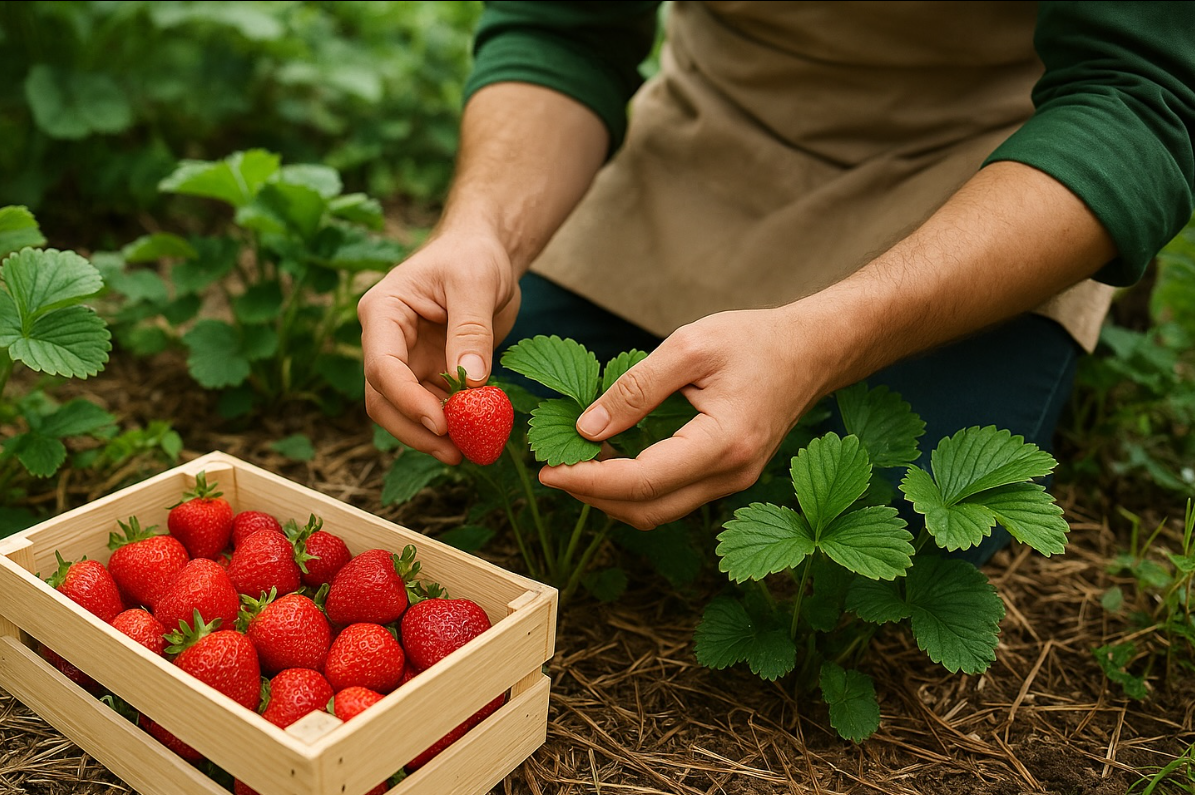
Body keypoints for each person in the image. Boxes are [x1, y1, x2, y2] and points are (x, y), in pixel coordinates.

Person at [359, 1, 1194, 565]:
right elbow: (564, 28)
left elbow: (1137, 95)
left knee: (901, 520)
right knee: (494, 433)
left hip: (990, 167)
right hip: (713, 126)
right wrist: (483, 231)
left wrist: (830, 338)